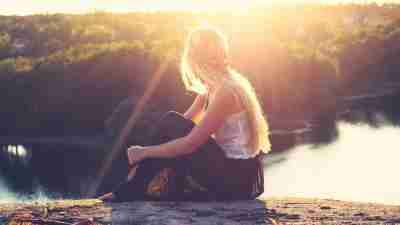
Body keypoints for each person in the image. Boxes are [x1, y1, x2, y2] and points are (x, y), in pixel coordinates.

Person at [99, 25, 271, 202]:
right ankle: (137, 187)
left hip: (237, 181)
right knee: (171, 122)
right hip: (234, 173)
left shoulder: (225, 92)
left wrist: (144, 152)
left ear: (194, 59)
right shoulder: (213, 88)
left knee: (171, 125)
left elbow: (189, 144)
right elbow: (175, 128)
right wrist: (145, 157)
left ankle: (132, 188)